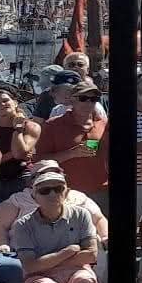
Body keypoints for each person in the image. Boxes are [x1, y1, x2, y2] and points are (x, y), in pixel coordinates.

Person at [34, 82, 108, 213]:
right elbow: (39, 160)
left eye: (93, 99)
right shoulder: (53, 125)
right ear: (72, 100)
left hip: (101, 191)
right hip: (67, 193)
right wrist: (71, 153)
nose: (88, 103)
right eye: (83, 98)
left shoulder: (103, 123)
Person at [0, 87, 40, 205]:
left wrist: (18, 129)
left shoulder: (31, 127)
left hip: (22, 177)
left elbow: (19, 154)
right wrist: (12, 154)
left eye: (5, 100)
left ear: (15, 103)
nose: (2, 104)